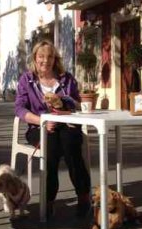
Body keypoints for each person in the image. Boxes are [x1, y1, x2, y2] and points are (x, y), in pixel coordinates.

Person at [15, 39, 91, 218]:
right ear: (35, 58)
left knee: (71, 145)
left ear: (55, 59)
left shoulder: (66, 79)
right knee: (51, 148)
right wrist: (42, 120)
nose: (45, 60)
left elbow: (76, 103)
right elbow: (19, 108)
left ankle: (84, 197)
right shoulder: (27, 79)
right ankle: (48, 201)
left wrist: (63, 101)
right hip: (38, 127)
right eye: (41, 56)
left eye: (50, 57)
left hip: (67, 124)